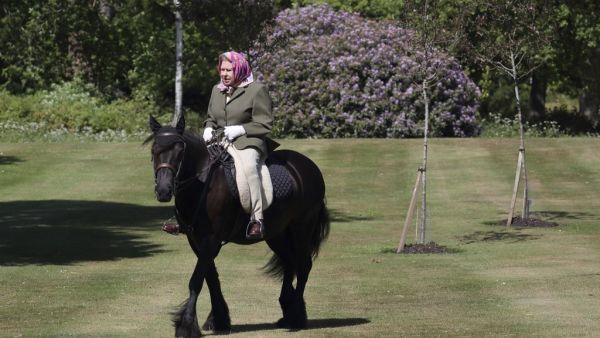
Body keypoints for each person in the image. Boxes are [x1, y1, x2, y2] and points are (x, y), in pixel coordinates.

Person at [162, 51, 276, 238]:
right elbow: (211, 118)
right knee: (191, 165)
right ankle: (184, 220)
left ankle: (257, 219)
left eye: (229, 70)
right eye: (222, 70)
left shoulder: (256, 90)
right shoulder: (217, 90)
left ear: (239, 69)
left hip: (248, 141)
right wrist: (207, 128)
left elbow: (264, 123)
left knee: (248, 168)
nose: (224, 74)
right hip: (219, 141)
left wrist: (241, 129)